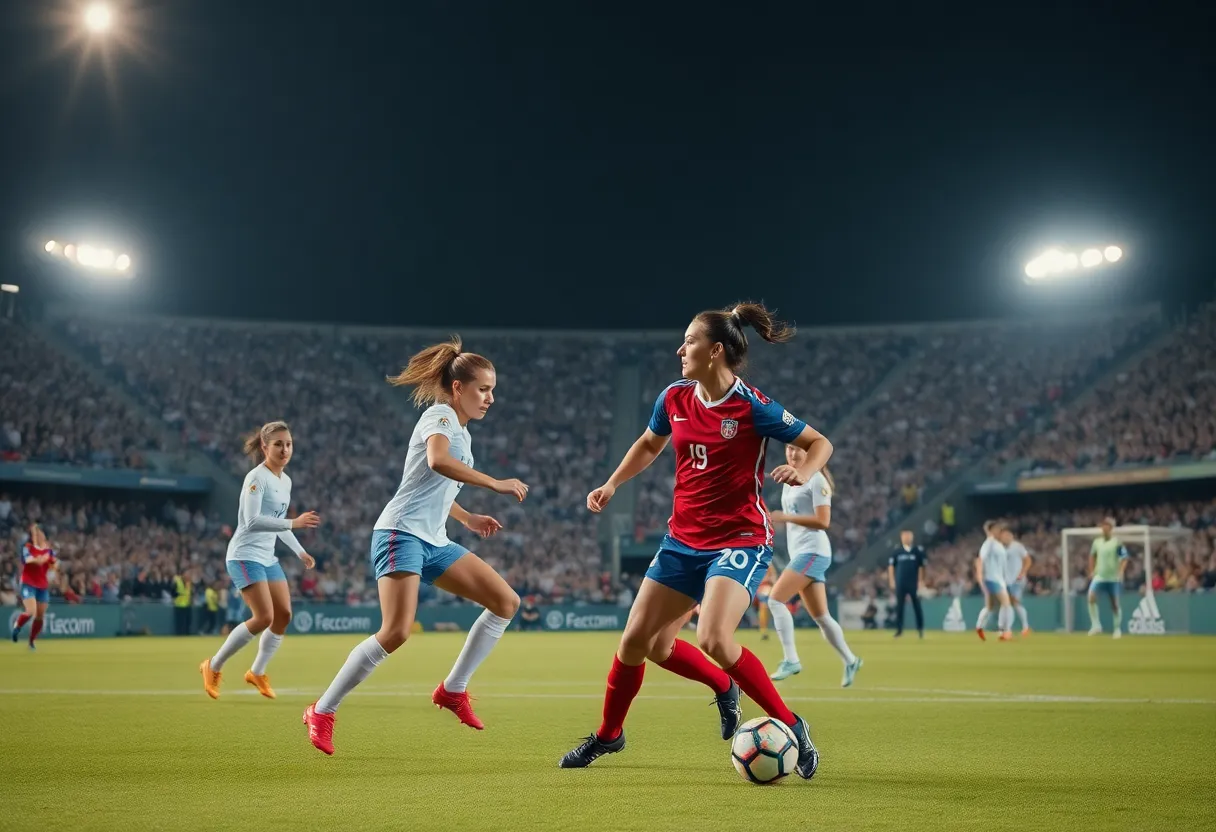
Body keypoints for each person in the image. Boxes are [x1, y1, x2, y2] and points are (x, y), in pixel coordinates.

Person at [558, 302, 831, 779]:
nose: (680, 348)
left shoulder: (752, 405)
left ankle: (792, 725)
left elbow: (819, 442)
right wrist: (612, 483)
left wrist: (803, 469)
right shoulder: (674, 397)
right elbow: (648, 444)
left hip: (739, 539)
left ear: (716, 350)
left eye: (689, 341)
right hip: (682, 540)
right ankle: (610, 735)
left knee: (713, 637)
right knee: (640, 644)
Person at [304, 337, 527, 755]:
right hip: (399, 533)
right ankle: (322, 709)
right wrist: (495, 484)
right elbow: (438, 462)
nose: (490, 398)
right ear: (458, 388)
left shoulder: (461, 430)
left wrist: (467, 517)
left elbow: (436, 489)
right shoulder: (440, 415)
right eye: (483, 389)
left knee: (505, 602)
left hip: (434, 540)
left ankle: (452, 690)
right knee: (396, 631)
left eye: (493, 389)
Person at [200, 421, 320, 700]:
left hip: (267, 557)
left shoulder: (285, 480)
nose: (284, 449)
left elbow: (279, 524)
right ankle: (213, 665)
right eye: (278, 444)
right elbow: (252, 521)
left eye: (288, 444)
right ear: (265, 447)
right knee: (263, 616)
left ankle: (256, 671)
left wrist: (299, 551)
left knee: (284, 615)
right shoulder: (257, 478)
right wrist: (295, 523)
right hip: (244, 555)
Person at [766, 456, 862, 686]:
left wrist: (785, 517)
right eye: (789, 448)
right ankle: (851, 660)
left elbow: (823, 521)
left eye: (797, 449)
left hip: (813, 552)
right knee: (821, 617)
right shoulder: (790, 480)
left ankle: (791, 660)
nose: (792, 453)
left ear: (809, 454)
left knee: (775, 600)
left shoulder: (817, 480)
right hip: (801, 552)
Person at [11, 523, 58, 650]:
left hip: (42, 585)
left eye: (39, 533)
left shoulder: (49, 551)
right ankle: (17, 626)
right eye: (34, 533)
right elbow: (29, 560)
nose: (36, 535)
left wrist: (50, 562)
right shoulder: (27, 547)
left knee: (40, 615)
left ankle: (31, 642)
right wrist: (41, 559)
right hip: (28, 583)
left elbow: (53, 564)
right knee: (31, 611)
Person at [1087, 517, 1129, 639]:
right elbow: (1092, 556)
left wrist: (1120, 571)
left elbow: (1125, 557)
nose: (1104, 528)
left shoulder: (1117, 542)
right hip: (1099, 576)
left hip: (1113, 578)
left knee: (1114, 604)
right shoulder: (1097, 542)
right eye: (1103, 526)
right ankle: (1096, 625)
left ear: (1111, 528)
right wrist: (1091, 571)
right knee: (1091, 597)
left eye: (1107, 526)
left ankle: (1117, 629)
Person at [974, 520, 1013, 641]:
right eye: (996, 529)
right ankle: (1003, 631)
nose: (998, 531)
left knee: (990, 607)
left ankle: (979, 626)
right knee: (1006, 603)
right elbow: (980, 559)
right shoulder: (989, 543)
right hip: (992, 578)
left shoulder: (997, 544)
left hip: (997, 579)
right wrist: (980, 576)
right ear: (990, 530)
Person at [887, 529, 926, 638]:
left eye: (908, 536)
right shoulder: (897, 551)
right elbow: (891, 567)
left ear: (912, 537)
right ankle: (899, 630)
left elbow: (922, 567)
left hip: (913, 583)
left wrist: (921, 581)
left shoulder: (917, 551)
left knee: (917, 606)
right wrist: (891, 580)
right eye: (904, 536)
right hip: (900, 583)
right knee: (900, 607)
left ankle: (920, 629)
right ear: (901, 538)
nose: (906, 538)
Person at [1000, 527, 1032, 636]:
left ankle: (1007, 630)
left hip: (1017, 580)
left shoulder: (1017, 547)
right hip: (1007, 581)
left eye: (1007, 535)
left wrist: (1022, 573)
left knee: (1011, 603)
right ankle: (1024, 627)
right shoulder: (1002, 548)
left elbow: (1028, 560)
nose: (1005, 538)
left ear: (1011, 536)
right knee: (1011, 604)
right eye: (1003, 536)